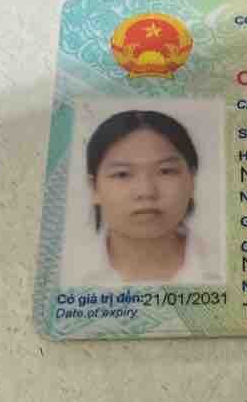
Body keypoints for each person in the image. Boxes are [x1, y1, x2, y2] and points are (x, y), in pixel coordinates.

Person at [69, 110, 221, 285]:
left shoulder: (227, 267)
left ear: (191, 181)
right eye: (122, 174)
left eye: (165, 171)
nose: (146, 191)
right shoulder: (68, 274)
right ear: (94, 188)